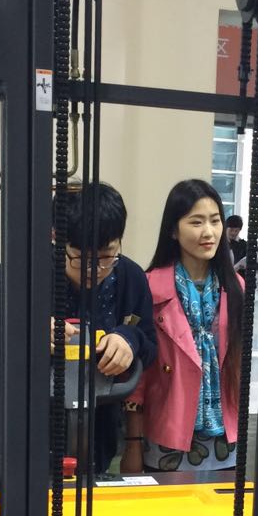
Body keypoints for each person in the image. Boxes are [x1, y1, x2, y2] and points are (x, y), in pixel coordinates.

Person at [122, 179, 244, 474]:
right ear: (173, 230)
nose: (208, 232)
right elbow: (140, 375)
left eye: (215, 220)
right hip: (167, 434)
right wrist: (133, 443)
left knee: (221, 504)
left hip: (225, 438)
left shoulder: (236, 287)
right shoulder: (149, 286)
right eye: (196, 222)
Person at [57, 182, 157, 473]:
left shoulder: (131, 277)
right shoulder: (23, 273)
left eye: (106, 256)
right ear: (57, 239)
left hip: (99, 428)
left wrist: (129, 339)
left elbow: (149, 343)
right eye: (81, 259)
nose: (94, 270)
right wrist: (26, 331)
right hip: (30, 425)